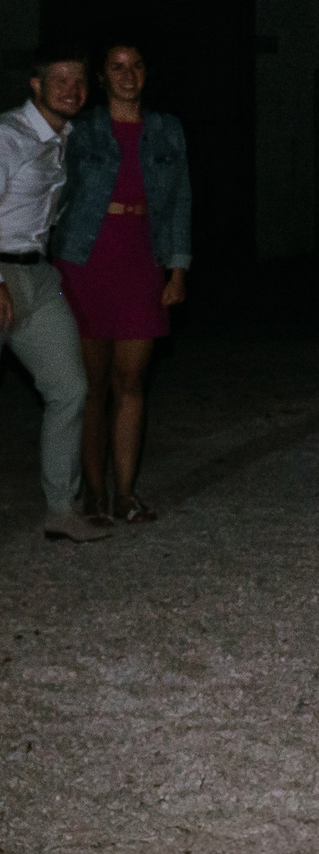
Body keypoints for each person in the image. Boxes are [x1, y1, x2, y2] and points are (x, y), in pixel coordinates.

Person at [54, 42, 192, 524]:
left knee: (130, 383)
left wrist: (177, 269)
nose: (127, 74)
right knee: (91, 387)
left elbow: (179, 205)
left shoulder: (166, 129)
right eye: (117, 67)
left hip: (140, 262)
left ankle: (126, 494)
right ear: (102, 77)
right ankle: (92, 493)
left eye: (135, 65)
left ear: (145, 74)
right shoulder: (80, 130)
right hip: (84, 261)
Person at [0, 44, 109, 543]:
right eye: (59, 78)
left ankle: (61, 512)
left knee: (70, 388)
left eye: (79, 79)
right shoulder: (8, 135)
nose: (72, 88)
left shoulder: (68, 137)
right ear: (36, 84)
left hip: (38, 277)